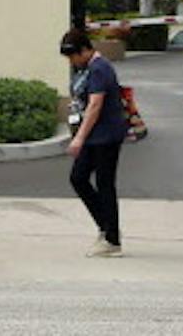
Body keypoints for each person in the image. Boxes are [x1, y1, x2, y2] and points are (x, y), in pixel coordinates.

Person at [60, 27, 126, 257]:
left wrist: (78, 138)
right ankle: (105, 225)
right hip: (92, 136)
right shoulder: (86, 69)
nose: (72, 61)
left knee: (105, 184)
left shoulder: (100, 68)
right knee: (78, 178)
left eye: (73, 56)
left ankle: (112, 239)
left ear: (85, 49)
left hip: (105, 136)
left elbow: (95, 105)